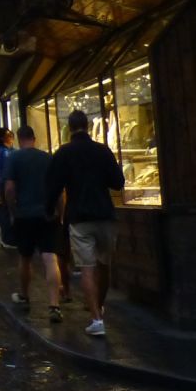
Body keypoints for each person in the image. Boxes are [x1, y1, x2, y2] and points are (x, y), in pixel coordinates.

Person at [45, 109, 125, 337]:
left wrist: (49, 210)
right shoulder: (102, 151)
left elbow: (53, 186)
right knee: (105, 265)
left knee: (87, 268)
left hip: (79, 218)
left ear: (69, 128)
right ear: (88, 126)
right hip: (105, 215)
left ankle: (96, 319)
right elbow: (118, 182)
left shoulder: (64, 153)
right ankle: (100, 306)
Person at [3, 125, 62, 322]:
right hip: (47, 215)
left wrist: (13, 211)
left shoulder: (14, 158)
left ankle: (25, 295)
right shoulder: (47, 158)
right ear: (34, 138)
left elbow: (9, 189)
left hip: (24, 214)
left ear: (20, 139)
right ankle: (54, 305)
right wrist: (60, 213)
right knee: (50, 258)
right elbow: (59, 190)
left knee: (25, 257)